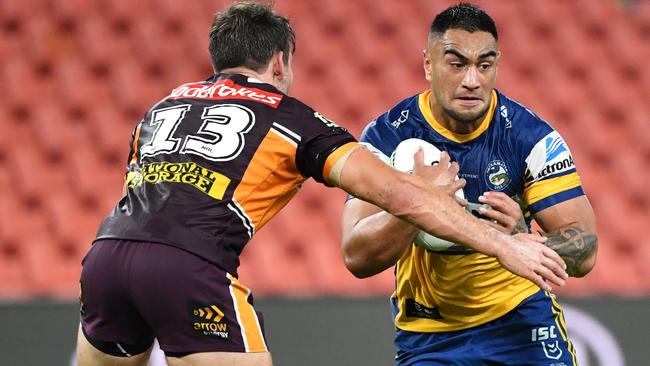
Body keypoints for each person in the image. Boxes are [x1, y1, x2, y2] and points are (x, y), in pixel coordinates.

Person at [75, 3, 569, 366]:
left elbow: (139, 188)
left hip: (105, 255)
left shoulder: (164, 105)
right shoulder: (292, 118)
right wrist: (499, 243)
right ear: (280, 64)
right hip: (187, 264)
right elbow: (397, 193)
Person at [341, 3, 598, 365]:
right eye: (456, 63)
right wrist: (417, 204)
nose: (472, 80)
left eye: (485, 65)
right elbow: (356, 255)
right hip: (431, 336)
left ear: (497, 66)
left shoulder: (530, 138)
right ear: (429, 65)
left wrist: (526, 237)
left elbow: (586, 249)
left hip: (520, 322)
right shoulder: (387, 138)